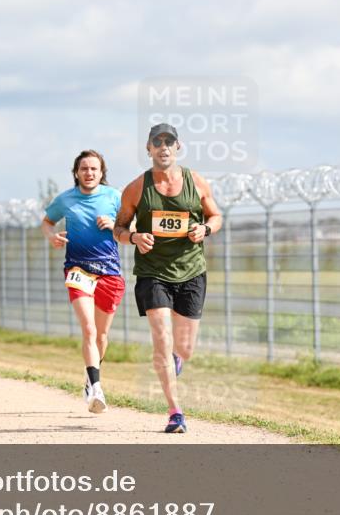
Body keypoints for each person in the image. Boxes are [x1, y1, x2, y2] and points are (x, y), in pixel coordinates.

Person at [113, 124, 222, 433]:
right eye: (156, 142)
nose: (163, 147)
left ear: (178, 147)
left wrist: (206, 229)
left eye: (168, 142)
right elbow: (118, 229)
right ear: (148, 149)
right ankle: (175, 412)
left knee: (184, 348)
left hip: (191, 271)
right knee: (162, 339)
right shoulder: (136, 189)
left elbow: (216, 216)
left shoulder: (196, 182)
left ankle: (175, 360)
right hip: (153, 273)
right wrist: (133, 237)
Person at [41, 150, 124, 414]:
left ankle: (90, 376)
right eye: (84, 169)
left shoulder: (114, 197)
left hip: (109, 271)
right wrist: (52, 236)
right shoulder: (65, 199)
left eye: (94, 169)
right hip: (78, 271)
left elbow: (129, 228)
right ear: (76, 172)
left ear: (102, 173)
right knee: (88, 330)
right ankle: (96, 389)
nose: (89, 173)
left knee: (101, 335)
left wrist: (114, 224)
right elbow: (47, 221)